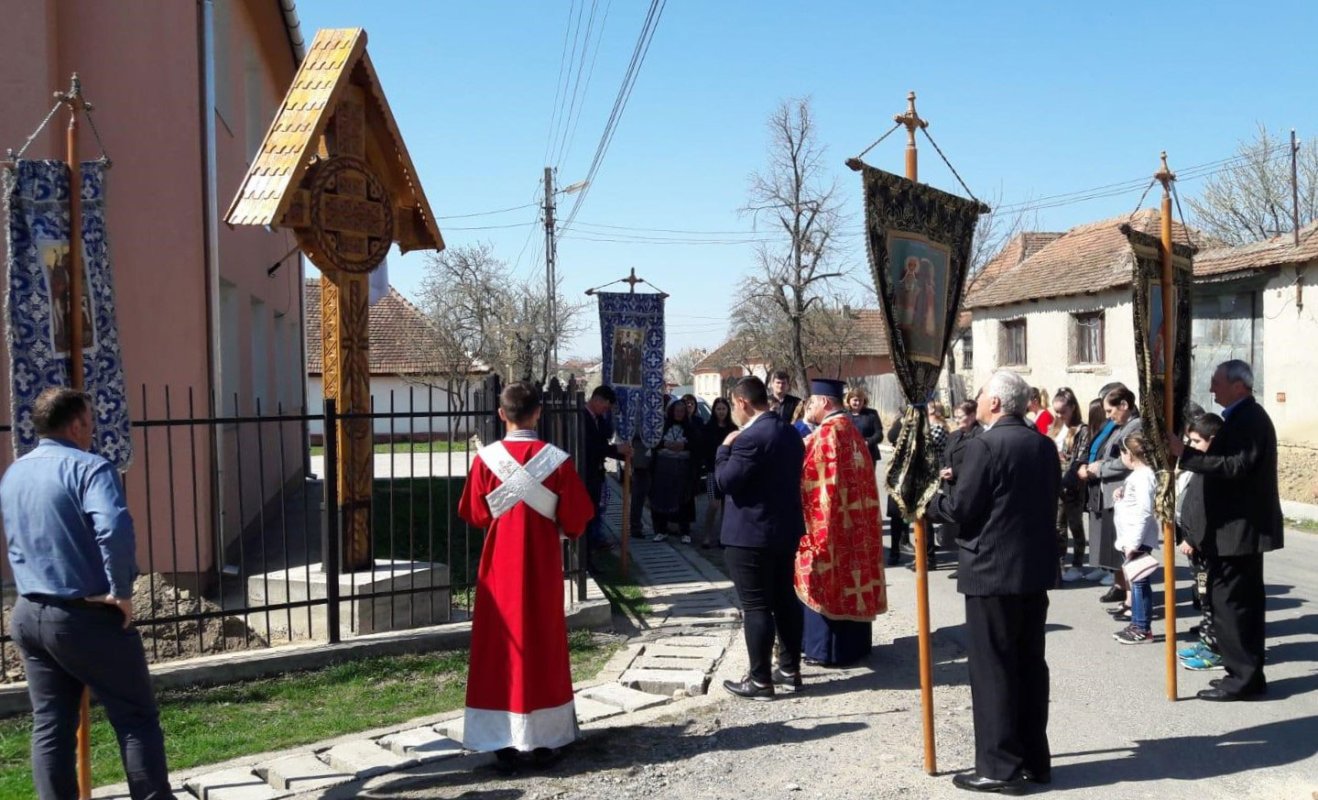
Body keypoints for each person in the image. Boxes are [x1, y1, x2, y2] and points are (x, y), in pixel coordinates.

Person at [1, 387, 177, 800]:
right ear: (78, 424)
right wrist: (121, 590)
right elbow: (113, 529)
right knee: (135, 717)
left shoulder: (15, 472)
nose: (93, 428)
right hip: (85, 614)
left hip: (28, 612)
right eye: (91, 420)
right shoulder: (91, 469)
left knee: (51, 724)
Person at [926, 371, 1058, 793]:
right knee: (1028, 667)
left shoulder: (986, 445)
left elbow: (963, 508)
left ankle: (998, 767)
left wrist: (931, 503)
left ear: (997, 403)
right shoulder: (1043, 445)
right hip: (1031, 572)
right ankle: (1034, 759)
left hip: (991, 572)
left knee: (992, 671)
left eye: (982, 394)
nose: (978, 400)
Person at [457, 382, 595, 769]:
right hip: (542, 567)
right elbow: (577, 517)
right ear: (539, 412)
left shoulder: (486, 460)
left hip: (499, 569)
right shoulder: (558, 460)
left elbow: (476, 514)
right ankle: (545, 740)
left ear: (502, 414)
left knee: (500, 648)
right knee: (542, 644)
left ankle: (500, 738)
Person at [1168, 360, 1283, 702]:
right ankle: (1241, 673)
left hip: (1239, 532)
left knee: (1234, 606)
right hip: (1228, 532)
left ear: (1238, 385)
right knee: (1228, 604)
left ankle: (1244, 678)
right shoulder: (1239, 416)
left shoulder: (1250, 419)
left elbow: (1236, 466)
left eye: (1217, 382)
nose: (1212, 388)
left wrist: (1185, 454)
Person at [715, 376, 807, 699]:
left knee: (756, 606)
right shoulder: (790, 432)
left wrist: (723, 450)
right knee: (784, 599)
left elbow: (726, 482)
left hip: (750, 534)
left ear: (741, 402)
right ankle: (789, 668)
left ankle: (760, 680)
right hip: (784, 530)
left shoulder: (749, 438)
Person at [794, 379, 887, 667]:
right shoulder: (852, 431)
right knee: (853, 578)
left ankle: (825, 650)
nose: (809, 408)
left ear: (824, 403)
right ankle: (855, 646)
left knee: (828, 578)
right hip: (856, 525)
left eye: (812, 402)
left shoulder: (826, 435)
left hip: (831, 525)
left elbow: (813, 482)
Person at [1078, 385, 1142, 601]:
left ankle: (1130, 598)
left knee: (1126, 550)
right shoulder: (1120, 425)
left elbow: (1128, 461)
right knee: (1115, 548)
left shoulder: (1135, 426)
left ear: (1124, 405)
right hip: (1111, 492)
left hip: (1123, 492)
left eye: (1110, 410)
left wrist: (1100, 468)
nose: (1108, 416)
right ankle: (1122, 589)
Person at [1176, 412, 1224, 670]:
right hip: (1195, 548)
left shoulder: (1212, 469)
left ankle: (1215, 648)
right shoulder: (1199, 466)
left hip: (1203, 547)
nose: (1191, 447)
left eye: (1196, 441)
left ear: (1212, 441)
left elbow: (1205, 512)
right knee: (1203, 599)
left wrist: (1192, 539)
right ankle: (1206, 640)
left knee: (1210, 600)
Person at [1110, 433, 1160, 644]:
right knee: (1136, 581)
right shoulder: (1138, 476)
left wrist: (1134, 543)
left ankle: (1142, 627)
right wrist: (1120, 495)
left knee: (1139, 583)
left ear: (1129, 454)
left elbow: (1144, 511)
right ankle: (1137, 623)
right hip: (1130, 539)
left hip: (1136, 540)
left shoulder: (1143, 476)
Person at [579, 385, 632, 570]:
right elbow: (590, 448)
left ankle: (589, 556)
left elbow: (605, 441)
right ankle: (584, 560)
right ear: (597, 400)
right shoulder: (581, 417)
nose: (606, 411)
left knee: (593, 515)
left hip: (596, 476)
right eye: (606, 407)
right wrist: (616, 449)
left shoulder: (599, 419)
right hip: (583, 475)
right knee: (585, 518)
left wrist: (622, 452)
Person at [938, 400, 983, 576]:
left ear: (972, 416)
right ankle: (962, 564)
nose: (957, 420)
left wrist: (954, 471)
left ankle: (969, 566)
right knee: (956, 528)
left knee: (968, 528)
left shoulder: (979, 435)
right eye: (955, 417)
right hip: (950, 486)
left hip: (966, 485)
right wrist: (943, 468)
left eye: (961, 416)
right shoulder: (954, 435)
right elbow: (944, 455)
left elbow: (975, 463)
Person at [1051, 389, 1092, 583]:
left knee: (1075, 524)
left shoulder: (1082, 429)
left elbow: (1081, 457)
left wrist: (1067, 463)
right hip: (1055, 480)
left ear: (1073, 408)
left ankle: (1077, 564)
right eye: (1056, 411)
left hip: (1072, 482)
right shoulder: (1056, 427)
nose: (1059, 415)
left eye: (1063, 411)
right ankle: (1059, 562)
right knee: (1058, 525)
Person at [650, 398, 697, 543]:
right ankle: (661, 530)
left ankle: (685, 532)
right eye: (676, 411)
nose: (679, 413)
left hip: (683, 468)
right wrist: (666, 444)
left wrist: (684, 446)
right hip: (663, 468)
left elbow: (697, 444)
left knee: (684, 500)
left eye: (682, 411)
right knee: (662, 498)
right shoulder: (662, 426)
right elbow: (654, 442)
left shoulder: (690, 427)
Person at [699, 397, 738, 548]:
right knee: (713, 504)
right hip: (712, 471)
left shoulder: (733, 429)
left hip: (728, 470)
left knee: (726, 506)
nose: (721, 412)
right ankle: (707, 534)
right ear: (714, 410)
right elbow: (704, 449)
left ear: (727, 410)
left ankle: (723, 536)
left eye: (723, 409)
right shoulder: (708, 428)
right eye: (718, 409)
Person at [885, 412, 911, 566]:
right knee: (896, 514)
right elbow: (891, 436)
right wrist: (903, 421)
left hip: (916, 473)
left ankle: (925, 552)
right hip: (899, 473)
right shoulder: (902, 422)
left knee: (917, 513)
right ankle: (895, 550)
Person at [845, 387, 884, 464]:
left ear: (864, 401)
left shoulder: (872, 414)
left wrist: (867, 442)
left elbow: (879, 434)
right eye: (855, 400)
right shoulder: (843, 415)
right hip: (847, 455)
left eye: (860, 400)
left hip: (868, 454)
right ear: (849, 401)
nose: (858, 403)